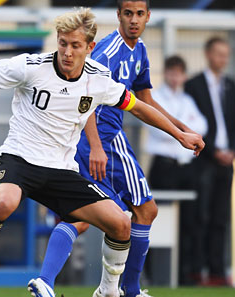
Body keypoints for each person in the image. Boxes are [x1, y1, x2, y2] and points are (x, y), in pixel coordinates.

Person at [0, 7, 203, 297]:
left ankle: (108, 291)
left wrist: (179, 133)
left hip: (62, 170)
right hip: (20, 158)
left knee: (120, 224)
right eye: (63, 43)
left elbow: (139, 106)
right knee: (4, 203)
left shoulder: (98, 78)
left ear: (89, 48)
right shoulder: (31, 66)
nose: (67, 52)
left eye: (75, 45)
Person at [33, 2, 202, 297]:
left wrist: (181, 131)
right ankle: (129, 290)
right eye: (128, 13)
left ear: (148, 16)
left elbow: (145, 101)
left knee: (86, 216)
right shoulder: (107, 52)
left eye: (139, 14)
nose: (134, 20)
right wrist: (97, 146)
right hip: (103, 140)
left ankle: (46, 282)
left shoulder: (140, 51)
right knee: (142, 210)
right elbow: (85, 96)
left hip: (100, 141)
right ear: (119, 16)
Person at [144, 56, 207, 285]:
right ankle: (151, 272)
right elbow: (158, 128)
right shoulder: (156, 97)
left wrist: (178, 129)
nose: (174, 77)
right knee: (154, 218)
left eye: (179, 73)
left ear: (183, 76)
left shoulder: (187, 100)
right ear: (166, 73)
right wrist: (181, 130)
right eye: (171, 72)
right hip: (163, 165)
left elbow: (201, 126)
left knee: (188, 220)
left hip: (184, 167)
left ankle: (183, 273)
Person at [184, 36, 235, 286]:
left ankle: (217, 272)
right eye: (218, 53)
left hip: (227, 161)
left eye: (226, 54)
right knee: (199, 216)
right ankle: (196, 271)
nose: (222, 59)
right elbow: (191, 121)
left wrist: (231, 150)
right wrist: (214, 150)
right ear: (207, 54)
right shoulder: (193, 85)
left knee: (221, 218)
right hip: (204, 159)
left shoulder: (231, 86)